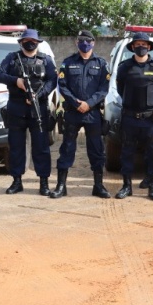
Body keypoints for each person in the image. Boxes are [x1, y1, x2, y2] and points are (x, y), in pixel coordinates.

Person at [0, 29, 57, 195]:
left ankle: (44, 182)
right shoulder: (12, 58)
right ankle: (17, 181)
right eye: (26, 40)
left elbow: (53, 80)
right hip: (16, 108)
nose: (30, 43)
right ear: (21, 42)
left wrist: (39, 95)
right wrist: (16, 81)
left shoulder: (46, 60)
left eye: (33, 41)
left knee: (41, 147)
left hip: (39, 109)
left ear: (38, 43)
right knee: (16, 147)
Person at [52, 30, 111, 199]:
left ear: (94, 42)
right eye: (81, 40)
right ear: (76, 42)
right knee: (67, 148)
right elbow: (62, 85)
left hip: (92, 113)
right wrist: (76, 103)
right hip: (73, 112)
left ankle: (98, 186)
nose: (85, 43)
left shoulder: (101, 63)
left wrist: (89, 103)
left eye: (88, 40)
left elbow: (103, 88)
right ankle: (61, 186)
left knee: (97, 150)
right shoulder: (68, 62)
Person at [114, 32, 153, 201]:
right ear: (132, 47)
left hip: (151, 119)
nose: (141, 47)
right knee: (127, 153)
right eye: (137, 44)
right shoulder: (124, 67)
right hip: (130, 117)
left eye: (144, 44)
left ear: (149, 47)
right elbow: (120, 87)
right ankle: (126, 186)